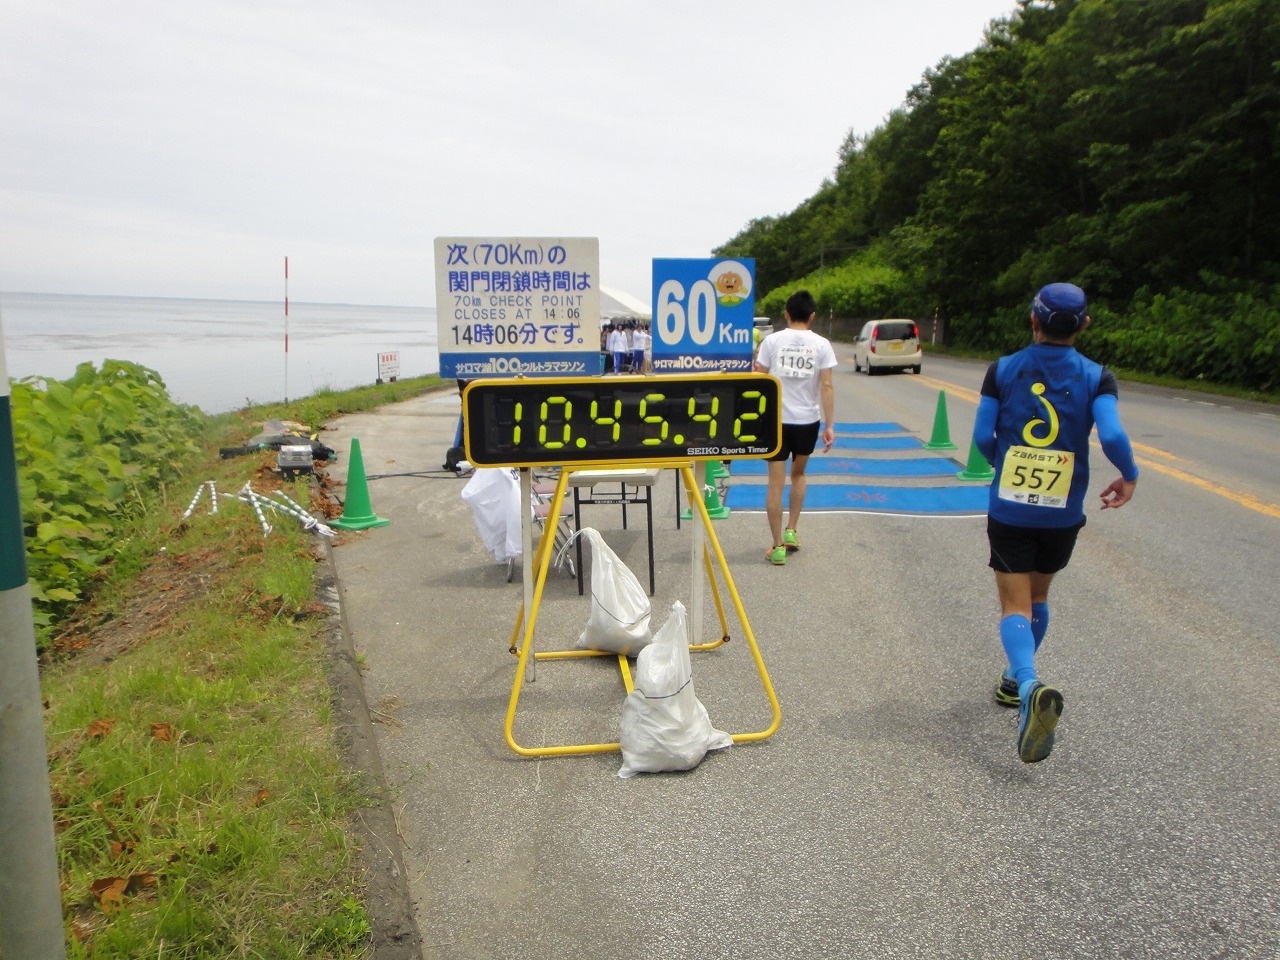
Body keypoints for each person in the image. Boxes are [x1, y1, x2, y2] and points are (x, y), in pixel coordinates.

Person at [972, 282, 1139, 764]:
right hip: (1063, 511)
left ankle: (1026, 685)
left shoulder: (1002, 370)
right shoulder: (1097, 376)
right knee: (1039, 596)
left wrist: (1004, 463)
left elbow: (984, 435)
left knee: (1013, 603)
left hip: (1010, 508)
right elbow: (1110, 433)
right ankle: (1011, 681)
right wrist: (1129, 475)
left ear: (1033, 320)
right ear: (1084, 324)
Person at [753, 289, 837, 566]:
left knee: (775, 484)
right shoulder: (822, 345)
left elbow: (758, 379)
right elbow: (826, 385)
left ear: (786, 314)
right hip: (807, 421)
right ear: (812, 316)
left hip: (775, 422)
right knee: (798, 475)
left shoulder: (771, 341)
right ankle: (792, 530)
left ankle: (777, 547)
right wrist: (830, 425)